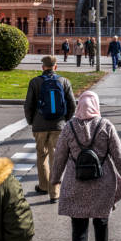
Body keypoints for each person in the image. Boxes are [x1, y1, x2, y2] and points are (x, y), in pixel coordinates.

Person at [51, 91, 121, 241]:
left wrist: (54, 179)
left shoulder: (69, 128)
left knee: (78, 230)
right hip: (103, 182)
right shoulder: (105, 126)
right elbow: (119, 155)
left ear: (79, 106)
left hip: (75, 183)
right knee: (101, 219)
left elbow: (59, 156)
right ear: (96, 105)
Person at [24, 55, 77, 203]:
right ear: (56, 67)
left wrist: (31, 121)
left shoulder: (35, 82)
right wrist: (65, 119)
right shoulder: (64, 81)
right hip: (58, 125)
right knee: (56, 158)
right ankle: (54, 193)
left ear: (42, 67)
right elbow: (72, 104)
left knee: (42, 156)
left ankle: (43, 186)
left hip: (39, 125)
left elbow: (28, 105)